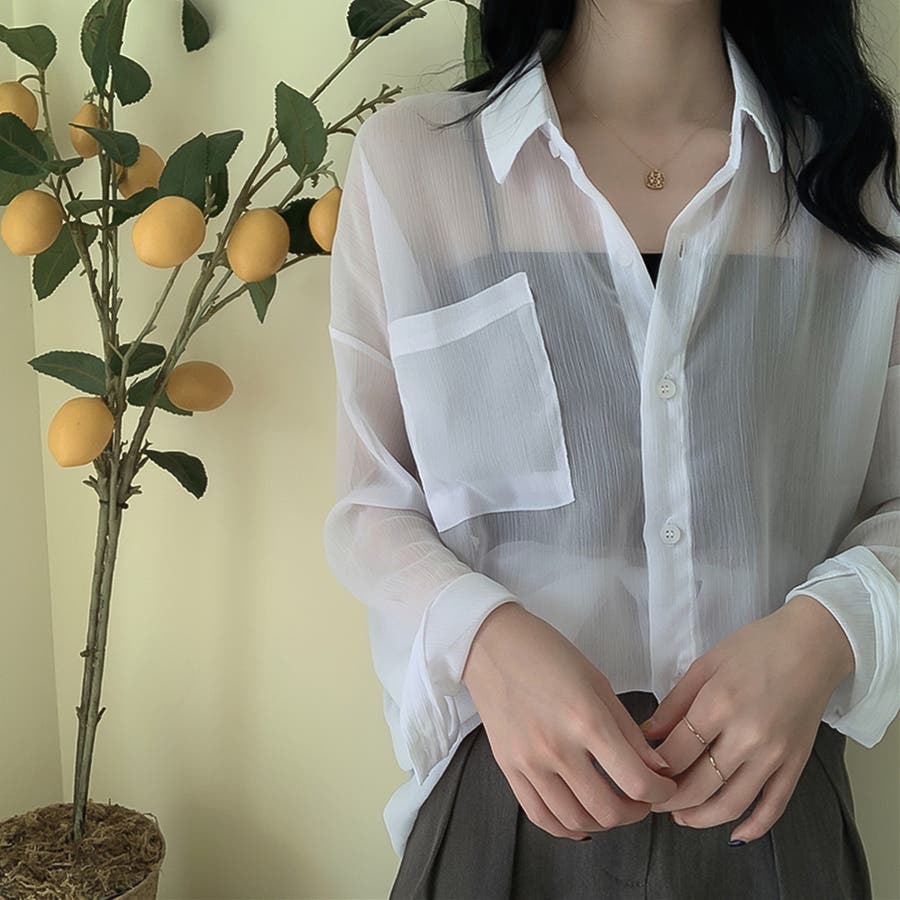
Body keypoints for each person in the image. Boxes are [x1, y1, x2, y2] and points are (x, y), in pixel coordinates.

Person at [323, 0, 900, 896]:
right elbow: (373, 506)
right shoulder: (418, 163)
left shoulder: (857, 180)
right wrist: (488, 641)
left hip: (770, 808)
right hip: (507, 804)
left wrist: (822, 634)